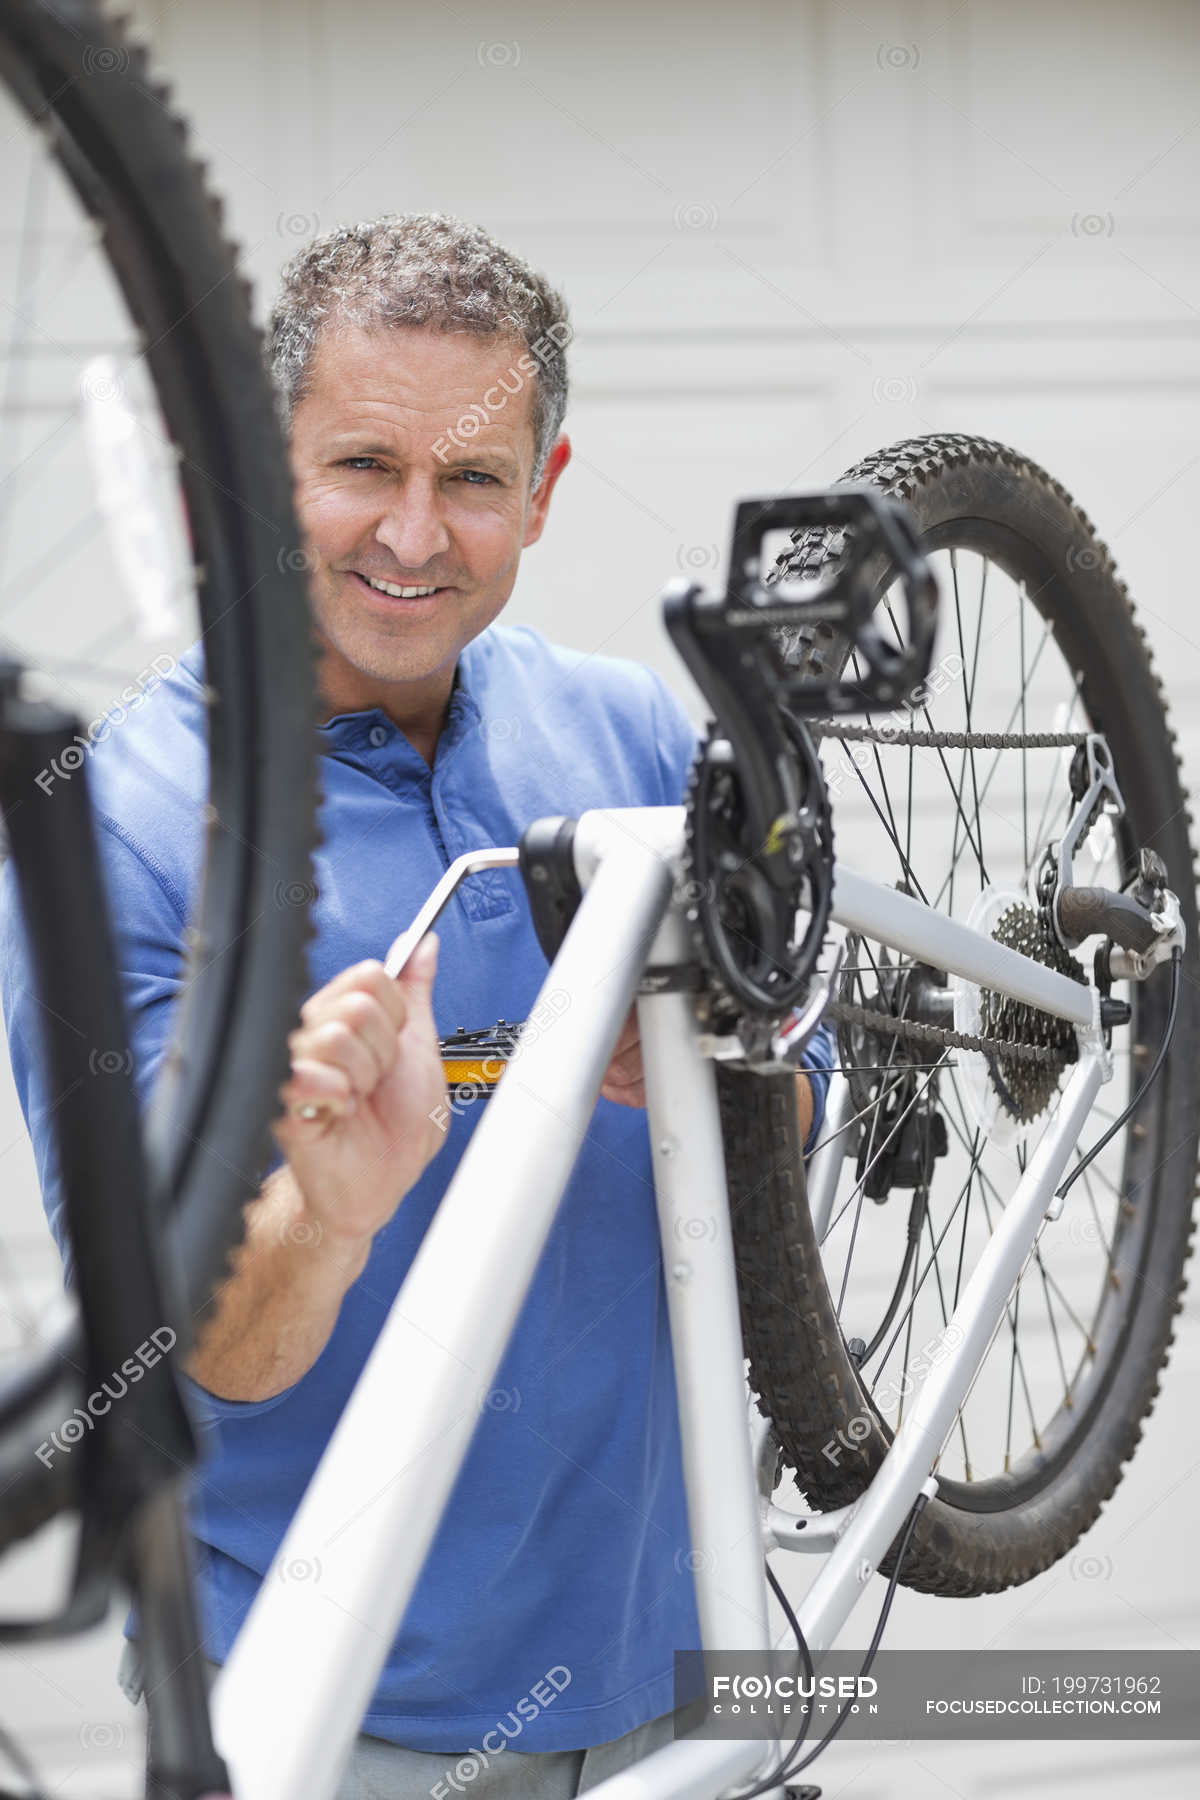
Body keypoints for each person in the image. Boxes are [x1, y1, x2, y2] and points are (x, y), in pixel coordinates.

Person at [0, 213, 835, 1800]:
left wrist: (729, 1090)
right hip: (344, 1724)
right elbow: (191, 1347)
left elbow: (809, 1103)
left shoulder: (630, 735)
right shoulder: (123, 815)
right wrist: (330, 1206)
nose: (414, 534)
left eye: (471, 479)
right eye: (362, 466)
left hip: (686, 1661)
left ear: (545, 487)